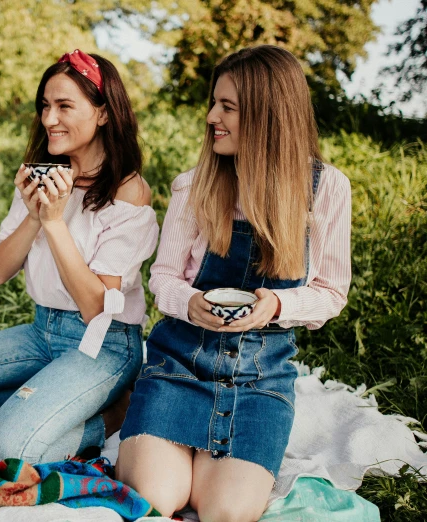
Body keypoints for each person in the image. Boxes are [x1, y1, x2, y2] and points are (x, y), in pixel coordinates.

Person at [115, 45, 352, 521]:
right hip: (179, 367)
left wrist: (277, 306)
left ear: (269, 114)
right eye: (214, 103)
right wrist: (190, 301)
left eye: (228, 107)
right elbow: (161, 277)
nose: (210, 117)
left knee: (223, 512)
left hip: (259, 380)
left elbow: (331, 292)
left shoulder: (327, 189)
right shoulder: (194, 184)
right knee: (157, 501)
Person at [0, 50, 159, 465]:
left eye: (64, 106)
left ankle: (113, 414)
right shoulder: (43, 174)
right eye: (44, 106)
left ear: (103, 113)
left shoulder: (129, 193)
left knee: (7, 449)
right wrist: (34, 214)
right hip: (41, 331)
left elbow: (97, 307)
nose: (49, 119)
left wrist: (55, 223)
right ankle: (41, 396)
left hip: (102, 345)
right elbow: (1, 272)